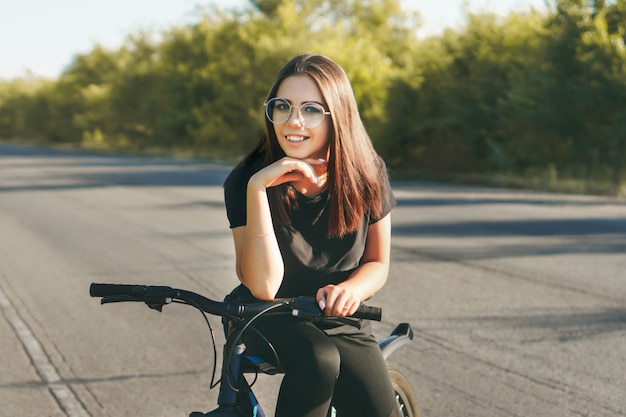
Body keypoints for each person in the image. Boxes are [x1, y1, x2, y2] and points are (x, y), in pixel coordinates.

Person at [223, 53, 400, 417]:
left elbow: (377, 262)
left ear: (338, 116)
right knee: (319, 360)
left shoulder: (367, 173)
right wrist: (258, 189)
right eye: (283, 106)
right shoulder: (246, 179)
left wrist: (350, 291)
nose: (294, 121)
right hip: (265, 316)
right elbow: (263, 285)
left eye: (312, 109)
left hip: (339, 320)